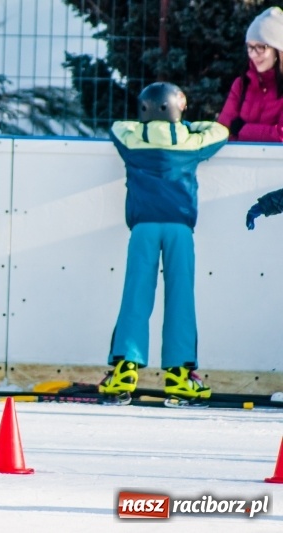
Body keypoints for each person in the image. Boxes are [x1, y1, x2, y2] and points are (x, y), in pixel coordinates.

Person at [100, 82, 229, 406]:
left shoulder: (132, 140)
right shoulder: (190, 142)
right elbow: (220, 130)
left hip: (143, 227)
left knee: (136, 295)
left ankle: (125, 369)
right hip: (179, 228)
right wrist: (183, 126)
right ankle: (179, 374)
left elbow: (118, 126)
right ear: (177, 108)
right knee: (181, 296)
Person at [218, 6, 283, 142]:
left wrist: (242, 129)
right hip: (239, 163)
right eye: (250, 47)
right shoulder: (242, 85)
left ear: (278, 50)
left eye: (260, 47)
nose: (253, 55)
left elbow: (280, 135)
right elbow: (223, 132)